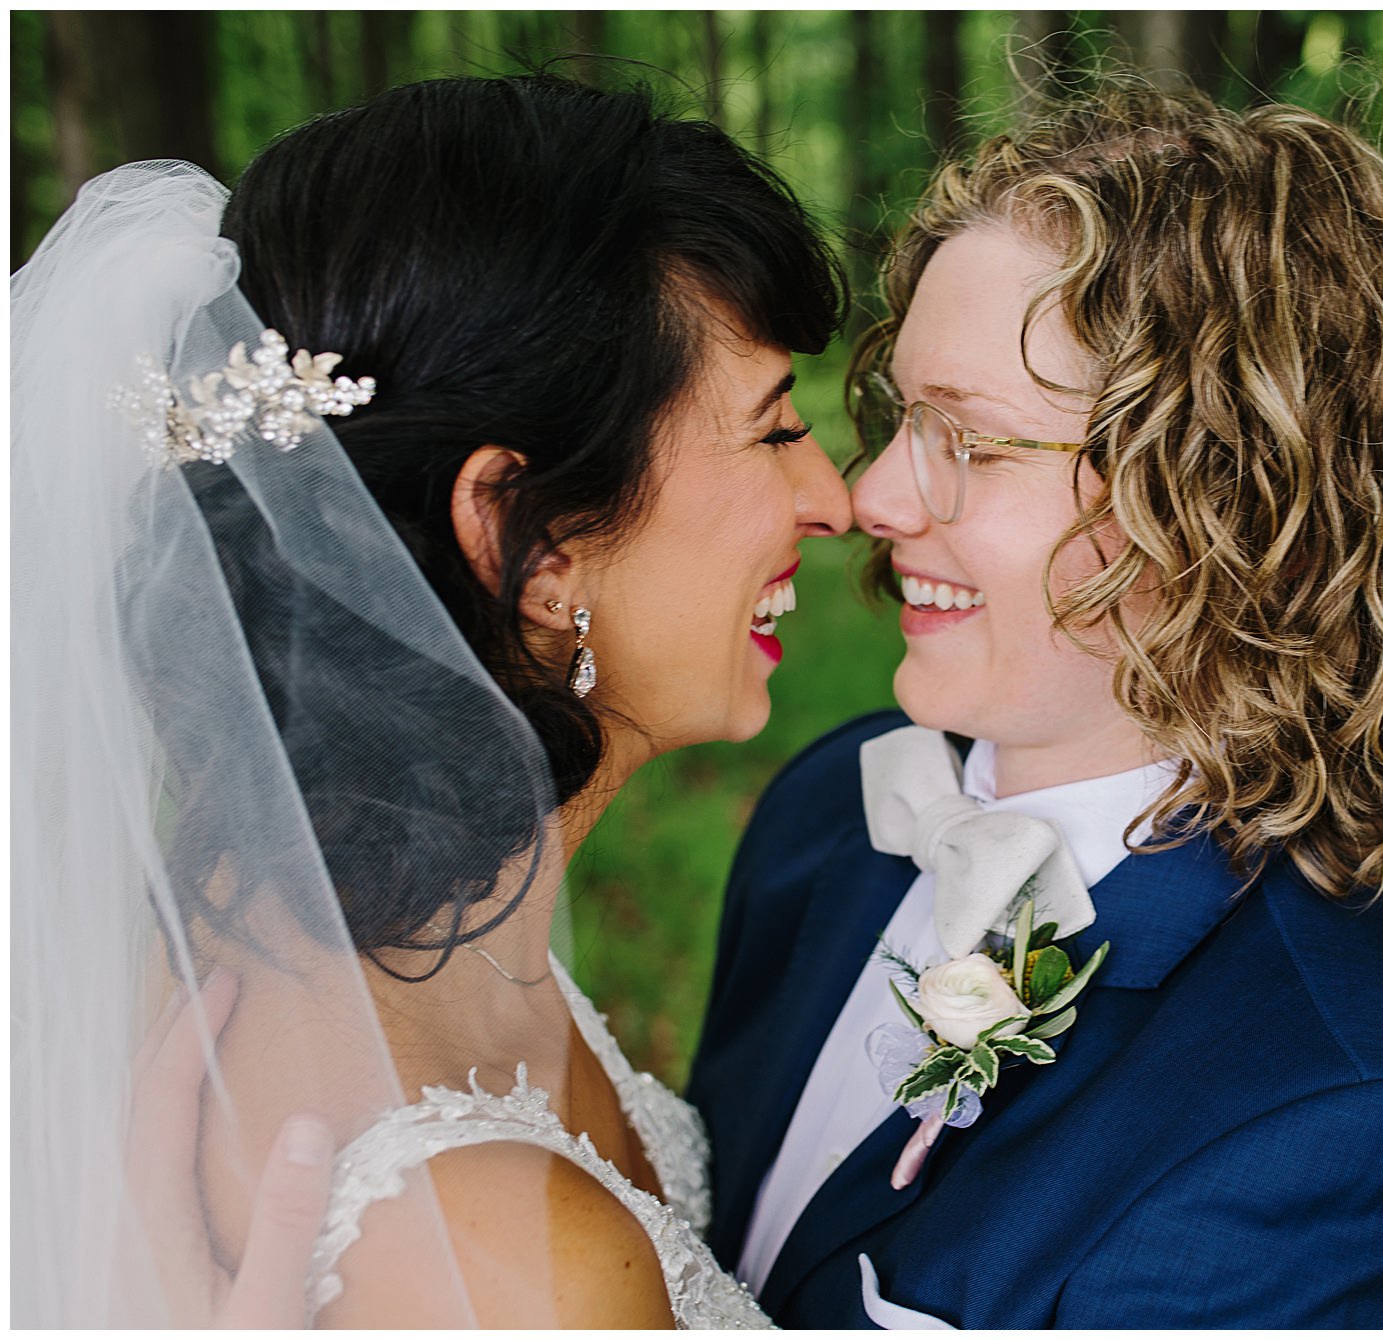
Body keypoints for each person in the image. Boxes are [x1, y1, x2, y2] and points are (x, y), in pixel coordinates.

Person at [686, 83, 1383, 1326]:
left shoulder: (1335, 1130)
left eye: (970, 441)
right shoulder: (833, 805)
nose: (873, 495)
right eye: (895, 418)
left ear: (1224, 501)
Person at [13, 74, 849, 1327]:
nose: (833, 498)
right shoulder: (528, 1266)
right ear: (529, 530)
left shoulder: (273, 904)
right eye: (775, 430)